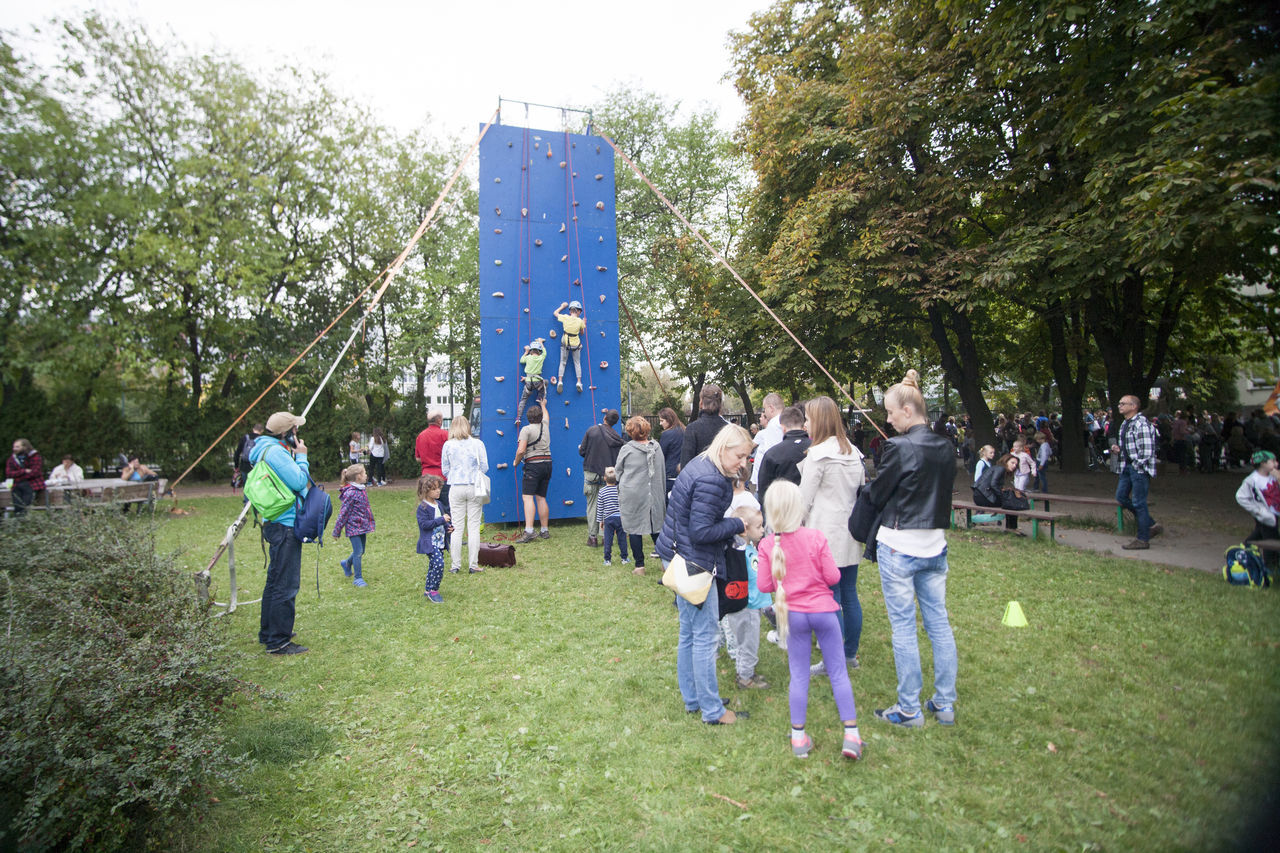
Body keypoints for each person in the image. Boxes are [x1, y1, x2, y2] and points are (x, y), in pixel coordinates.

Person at [862, 370, 958, 728]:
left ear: (906, 410)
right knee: (938, 623)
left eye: (889, 413)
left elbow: (878, 493)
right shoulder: (945, 446)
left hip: (901, 545)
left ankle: (909, 708)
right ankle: (944, 703)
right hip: (934, 546)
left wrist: (870, 487)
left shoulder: (899, 447)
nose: (886, 419)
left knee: (904, 627)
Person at [756, 480, 864, 760]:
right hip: (825, 613)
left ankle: (798, 738)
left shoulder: (768, 544)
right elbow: (833, 578)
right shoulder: (816, 537)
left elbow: (765, 585)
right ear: (800, 507)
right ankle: (851, 736)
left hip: (793, 617)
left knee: (799, 675)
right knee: (838, 672)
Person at [657, 424, 753, 725]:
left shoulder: (703, 464)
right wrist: (737, 525)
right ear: (723, 448)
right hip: (693, 562)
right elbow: (701, 532)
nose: (743, 464)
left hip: (678, 556)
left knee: (690, 633)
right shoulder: (711, 478)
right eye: (739, 456)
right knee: (705, 636)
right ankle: (711, 710)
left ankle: (695, 698)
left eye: (747, 458)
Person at [798, 395, 867, 676]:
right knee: (848, 593)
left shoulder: (818, 455)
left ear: (820, 421)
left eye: (808, 418)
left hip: (824, 533)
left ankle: (835, 659)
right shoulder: (854, 452)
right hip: (850, 531)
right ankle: (848, 654)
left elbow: (803, 501)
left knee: (832, 596)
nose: (805, 424)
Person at [248, 412, 311, 655]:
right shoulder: (276, 452)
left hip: (275, 521)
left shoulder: (264, 448)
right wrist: (302, 458)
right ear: (286, 433)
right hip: (285, 524)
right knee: (286, 583)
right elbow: (298, 482)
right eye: (295, 429)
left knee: (274, 580)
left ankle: (269, 632)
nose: (298, 433)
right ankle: (278, 641)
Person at [721, 488, 768, 689]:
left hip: (752, 605)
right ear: (744, 530)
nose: (763, 530)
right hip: (746, 606)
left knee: (747, 641)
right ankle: (745, 677)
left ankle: (746, 670)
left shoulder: (748, 549)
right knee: (748, 642)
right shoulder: (740, 553)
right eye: (759, 527)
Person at [614, 416, 666, 576]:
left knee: (635, 528)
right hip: (655, 493)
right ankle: (666, 563)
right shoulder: (657, 447)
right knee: (657, 528)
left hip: (633, 493)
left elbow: (618, 471)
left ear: (630, 432)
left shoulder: (627, 449)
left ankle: (640, 566)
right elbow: (662, 471)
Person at [1111, 394, 1165, 550]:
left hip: (1138, 469)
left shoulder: (1142, 424)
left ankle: (1143, 539)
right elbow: (1129, 447)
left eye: (1123, 403)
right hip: (1127, 467)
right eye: (1119, 403)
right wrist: (1118, 450)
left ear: (1133, 406)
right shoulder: (1125, 424)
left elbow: (1147, 451)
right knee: (1121, 497)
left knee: (1139, 502)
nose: (1119, 406)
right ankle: (1151, 524)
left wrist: (1136, 465)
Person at [441, 415, 488, 574]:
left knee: (456, 527)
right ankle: (473, 564)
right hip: (474, 486)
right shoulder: (478, 444)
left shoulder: (448, 445)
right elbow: (485, 466)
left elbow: (445, 470)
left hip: (456, 487)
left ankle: (455, 565)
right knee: (474, 526)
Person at [579, 411, 624, 546]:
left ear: (604, 418)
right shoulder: (617, 437)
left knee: (592, 505)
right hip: (609, 475)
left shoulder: (592, 431)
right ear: (615, 422)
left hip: (591, 473)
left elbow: (582, 452)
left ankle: (592, 538)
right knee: (607, 507)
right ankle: (605, 537)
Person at [332, 463, 376, 587]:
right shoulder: (350, 493)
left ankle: (346, 563)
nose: (366, 475)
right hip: (353, 527)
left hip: (362, 526)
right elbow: (343, 513)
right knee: (358, 551)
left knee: (361, 550)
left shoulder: (361, 489)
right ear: (358, 476)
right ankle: (358, 578)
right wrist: (337, 531)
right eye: (365, 473)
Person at [513, 404, 552, 543]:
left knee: (528, 497)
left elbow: (521, 450)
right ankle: (544, 530)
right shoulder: (545, 426)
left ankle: (529, 531)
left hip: (533, 465)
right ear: (540, 417)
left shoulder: (526, 429)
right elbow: (546, 416)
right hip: (548, 463)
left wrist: (516, 462)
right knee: (541, 497)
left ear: (528, 417)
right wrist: (543, 405)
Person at [757, 405, 810, 506]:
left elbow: (764, 491)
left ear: (783, 428)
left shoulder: (772, 454)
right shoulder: (816, 449)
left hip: (782, 511)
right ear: (803, 425)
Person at [415, 410, 450, 544]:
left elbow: (418, 458)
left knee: (428, 507)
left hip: (426, 477)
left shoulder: (421, 436)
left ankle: (429, 535)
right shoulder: (444, 434)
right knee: (445, 507)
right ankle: (448, 535)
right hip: (442, 475)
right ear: (439, 420)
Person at [416, 475, 452, 603]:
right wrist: (441, 520)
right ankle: (433, 591)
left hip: (440, 541)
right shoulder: (423, 508)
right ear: (426, 491)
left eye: (438, 488)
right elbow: (424, 525)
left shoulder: (439, 504)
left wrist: (448, 526)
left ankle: (427, 589)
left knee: (433, 565)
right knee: (439, 564)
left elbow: (442, 520)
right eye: (434, 489)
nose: (438, 491)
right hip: (430, 542)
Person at [1236, 450, 1280, 553]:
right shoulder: (1252, 480)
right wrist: (1257, 510)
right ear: (1263, 463)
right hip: (1264, 514)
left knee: (1260, 533)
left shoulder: (1274, 476)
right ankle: (1271, 565)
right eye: (1273, 461)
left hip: (1275, 512)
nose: (1276, 463)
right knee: (1271, 539)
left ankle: (1246, 547)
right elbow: (1241, 497)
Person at [680, 383, 729, 469]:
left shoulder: (692, 428)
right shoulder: (728, 429)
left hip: (699, 479)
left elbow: (686, 464)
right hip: (724, 479)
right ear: (720, 403)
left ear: (701, 402)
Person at [972, 453, 1023, 532]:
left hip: (979, 496)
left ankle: (1011, 528)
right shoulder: (1001, 469)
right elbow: (993, 484)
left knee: (1010, 502)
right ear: (1005, 461)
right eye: (1012, 463)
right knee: (1012, 504)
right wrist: (1003, 497)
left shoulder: (997, 468)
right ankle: (1011, 529)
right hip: (983, 497)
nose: (1014, 466)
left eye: (1016, 464)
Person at [750, 392, 785, 492]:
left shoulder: (773, 424)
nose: (764, 413)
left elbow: (771, 453)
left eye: (765, 409)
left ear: (771, 408)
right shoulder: (785, 420)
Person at [596, 468, 628, 566]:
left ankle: (607, 560)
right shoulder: (620, 489)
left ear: (604, 478)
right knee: (622, 539)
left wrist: (600, 520)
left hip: (608, 519)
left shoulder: (602, 492)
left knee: (608, 540)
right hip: (620, 518)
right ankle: (624, 558)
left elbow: (600, 507)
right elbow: (624, 504)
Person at [553, 300, 586, 393]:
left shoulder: (566, 317)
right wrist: (584, 324)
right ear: (578, 311)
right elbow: (582, 333)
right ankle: (579, 382)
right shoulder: (580, 321)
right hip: (575, 345)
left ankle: (560, 381)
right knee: (577, 363)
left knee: (563, 362)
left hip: (565, 343)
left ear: (570, 311)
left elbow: (555, 313)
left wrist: (562, 306)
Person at [6, 439, 45, 514]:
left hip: (31, 484)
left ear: (25, 447)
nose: (14, 449)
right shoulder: (12, 459)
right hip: (17, 485)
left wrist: (17, 475)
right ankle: (19, 522)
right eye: (14, 447)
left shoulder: (35, 457)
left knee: (26, 508)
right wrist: (23, 471)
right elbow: (8, 473)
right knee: (17, 508)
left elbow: (34, 473)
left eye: (17, 447)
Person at [514, 339, 548, 426]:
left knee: (523, 399)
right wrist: (541, 342)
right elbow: (545, 352)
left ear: (531, 351)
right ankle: (539, 397)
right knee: (544, 385)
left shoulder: (528, 357)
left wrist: (526, 351)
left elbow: (521, 360)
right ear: (539, 351)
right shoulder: (541, 357)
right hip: (537, 381)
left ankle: (518, 418)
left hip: (528, 381)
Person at [657, 408, 685, 496]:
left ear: (669, 419)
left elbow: (661, 455)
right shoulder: (685, 431)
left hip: (669, 474)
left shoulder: (667, 434)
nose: (660, 423)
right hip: (683, 473)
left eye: (662, 420)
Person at [233, 423, 263, 490]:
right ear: (262, 431)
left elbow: (237, 453)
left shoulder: (245, 438)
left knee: (246, 486)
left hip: (244, 465)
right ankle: (254, 500)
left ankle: (246, 500)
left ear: (253, 429)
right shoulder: (261, 440)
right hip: (256, 466)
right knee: (256, 487)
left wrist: (236, 466)